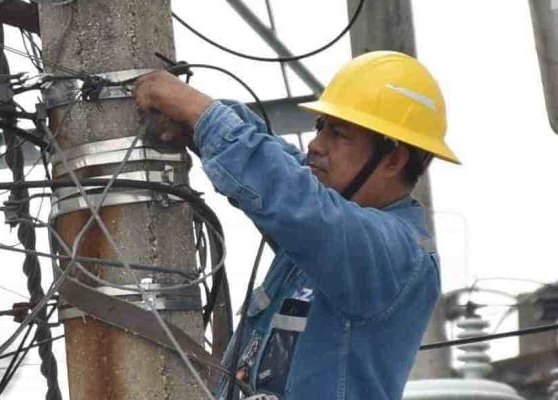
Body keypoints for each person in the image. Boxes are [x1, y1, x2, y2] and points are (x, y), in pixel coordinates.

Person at [134, 51, 459, 400]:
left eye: (338, 133)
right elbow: (284, 169)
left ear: (393, 158)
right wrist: (200, 125)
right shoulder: (323, 238)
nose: (316, 145)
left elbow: (297, 201)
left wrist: (202, 116)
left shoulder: (396, 256)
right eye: (320, 127)